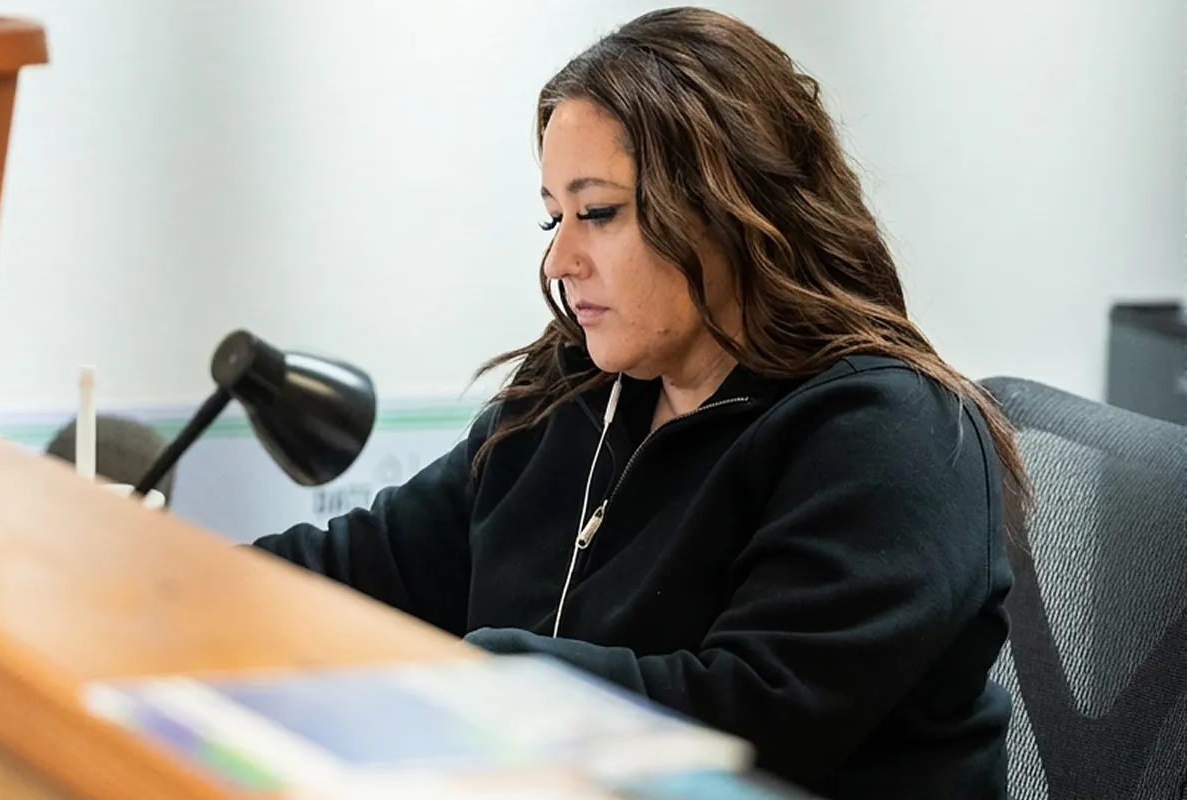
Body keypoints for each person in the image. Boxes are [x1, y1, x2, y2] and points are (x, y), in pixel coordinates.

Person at [251, 7, 1030, 798]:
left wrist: (482, 677)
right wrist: (168, 584)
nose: (560, 258)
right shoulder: (578, 395)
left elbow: (751, 719)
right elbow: (370, 565)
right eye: (555, 216)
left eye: (597, 213)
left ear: (732, 207)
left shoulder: (888, 435)